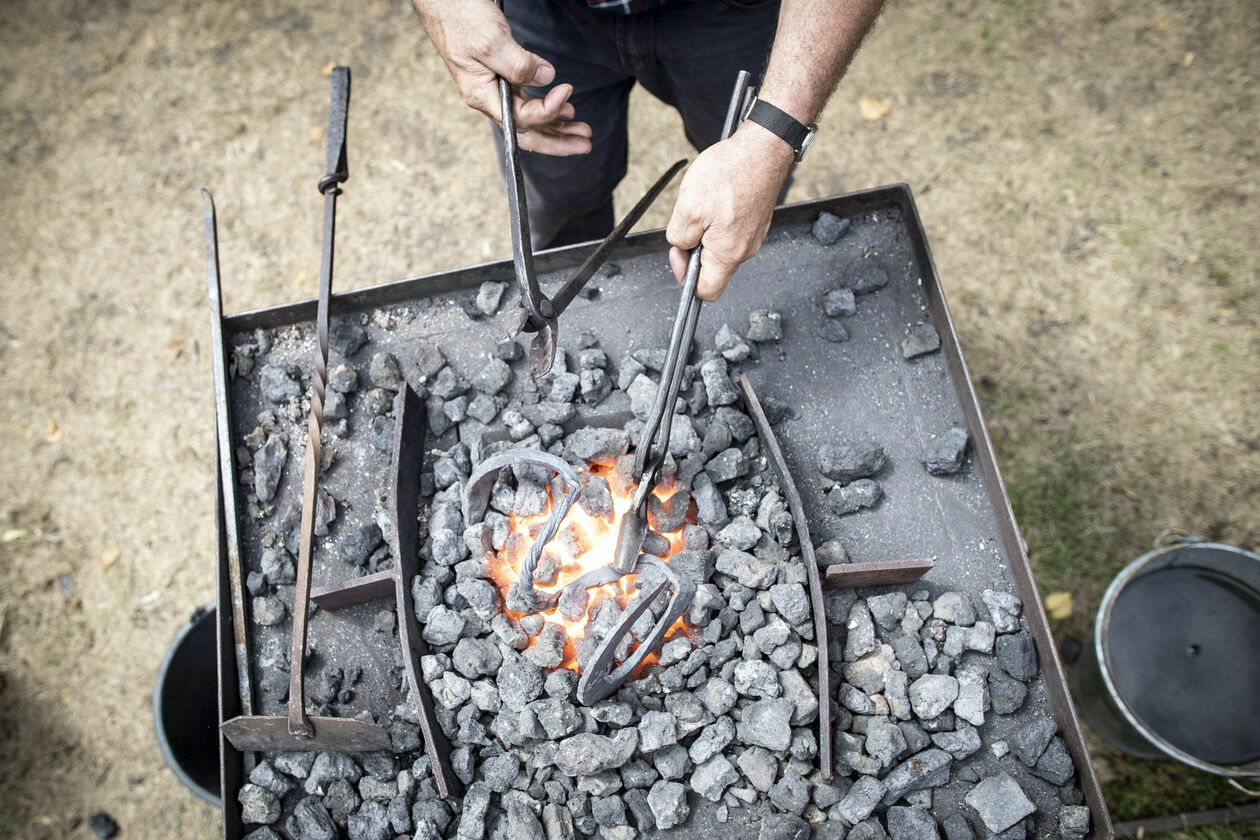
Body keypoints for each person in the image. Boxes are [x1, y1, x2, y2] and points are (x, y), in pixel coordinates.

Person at [413, 0, 883, 301]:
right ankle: (581, 317)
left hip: (733, 14)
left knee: (742, 190)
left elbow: (763, 148)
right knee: (562, 194)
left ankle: (735, 299)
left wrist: (772, 137)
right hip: (543, 12)